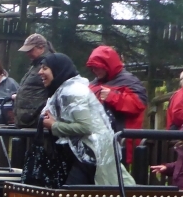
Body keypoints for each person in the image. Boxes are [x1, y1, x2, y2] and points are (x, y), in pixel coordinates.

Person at [39, 54, 135, 187]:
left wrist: (54, 125)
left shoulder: (72, 92)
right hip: (87, 151)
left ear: (57, 69)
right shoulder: (63, 90)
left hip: (91, 151)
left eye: (45, 68)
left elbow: (85, 127)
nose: (40, 72)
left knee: (73, 196)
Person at [86, 46, 148, 163]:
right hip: (99, 141)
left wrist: (112, 96)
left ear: (107, 66)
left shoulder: (129, 81)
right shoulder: (94, 83)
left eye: (97, 67)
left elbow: (138, 104)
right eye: (92, 68)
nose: (95, 71)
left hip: (121, 141)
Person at [13, 34, 55, 128]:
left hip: (37, 120)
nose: (27, 53)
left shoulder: (51, 65)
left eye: (30, 50)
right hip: (27, 120)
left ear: (41, 48)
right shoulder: (35, 66)